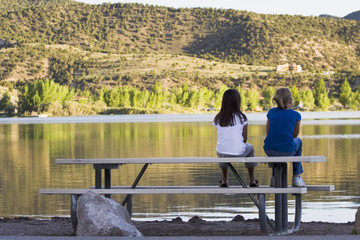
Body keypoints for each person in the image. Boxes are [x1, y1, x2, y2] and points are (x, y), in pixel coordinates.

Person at [213, 88, 258, 188]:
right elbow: (244, 139)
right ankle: (251, 179)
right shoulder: (242, 117)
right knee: (250, 148)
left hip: (222, 152)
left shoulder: (218, 118)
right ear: (237, 102)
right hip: (238, 152)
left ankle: (224, 179)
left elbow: (222, 138)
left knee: (222, 149)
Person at [263, 87, 305, 187]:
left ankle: (274, 178)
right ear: (290, 100)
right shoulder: (296, 115)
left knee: (275, 141)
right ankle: (296, 176)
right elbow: (295, 135)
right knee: (298, 141)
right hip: (287, 151)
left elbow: (268, 133)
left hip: (269, 150)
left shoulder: (271, 112)